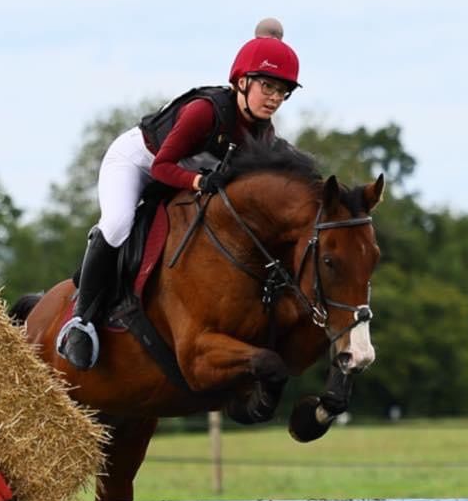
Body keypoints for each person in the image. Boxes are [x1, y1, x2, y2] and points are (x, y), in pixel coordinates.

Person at [56, 20, 302, 370]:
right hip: (138, 162)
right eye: (268, 87)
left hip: (177, 179)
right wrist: (200, 183)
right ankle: (81, 322)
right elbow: (160, 167)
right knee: (118, 223)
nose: (275, 98)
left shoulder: (261, 134)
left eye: (283, 91)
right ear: (242, 81)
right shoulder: (206, 111)